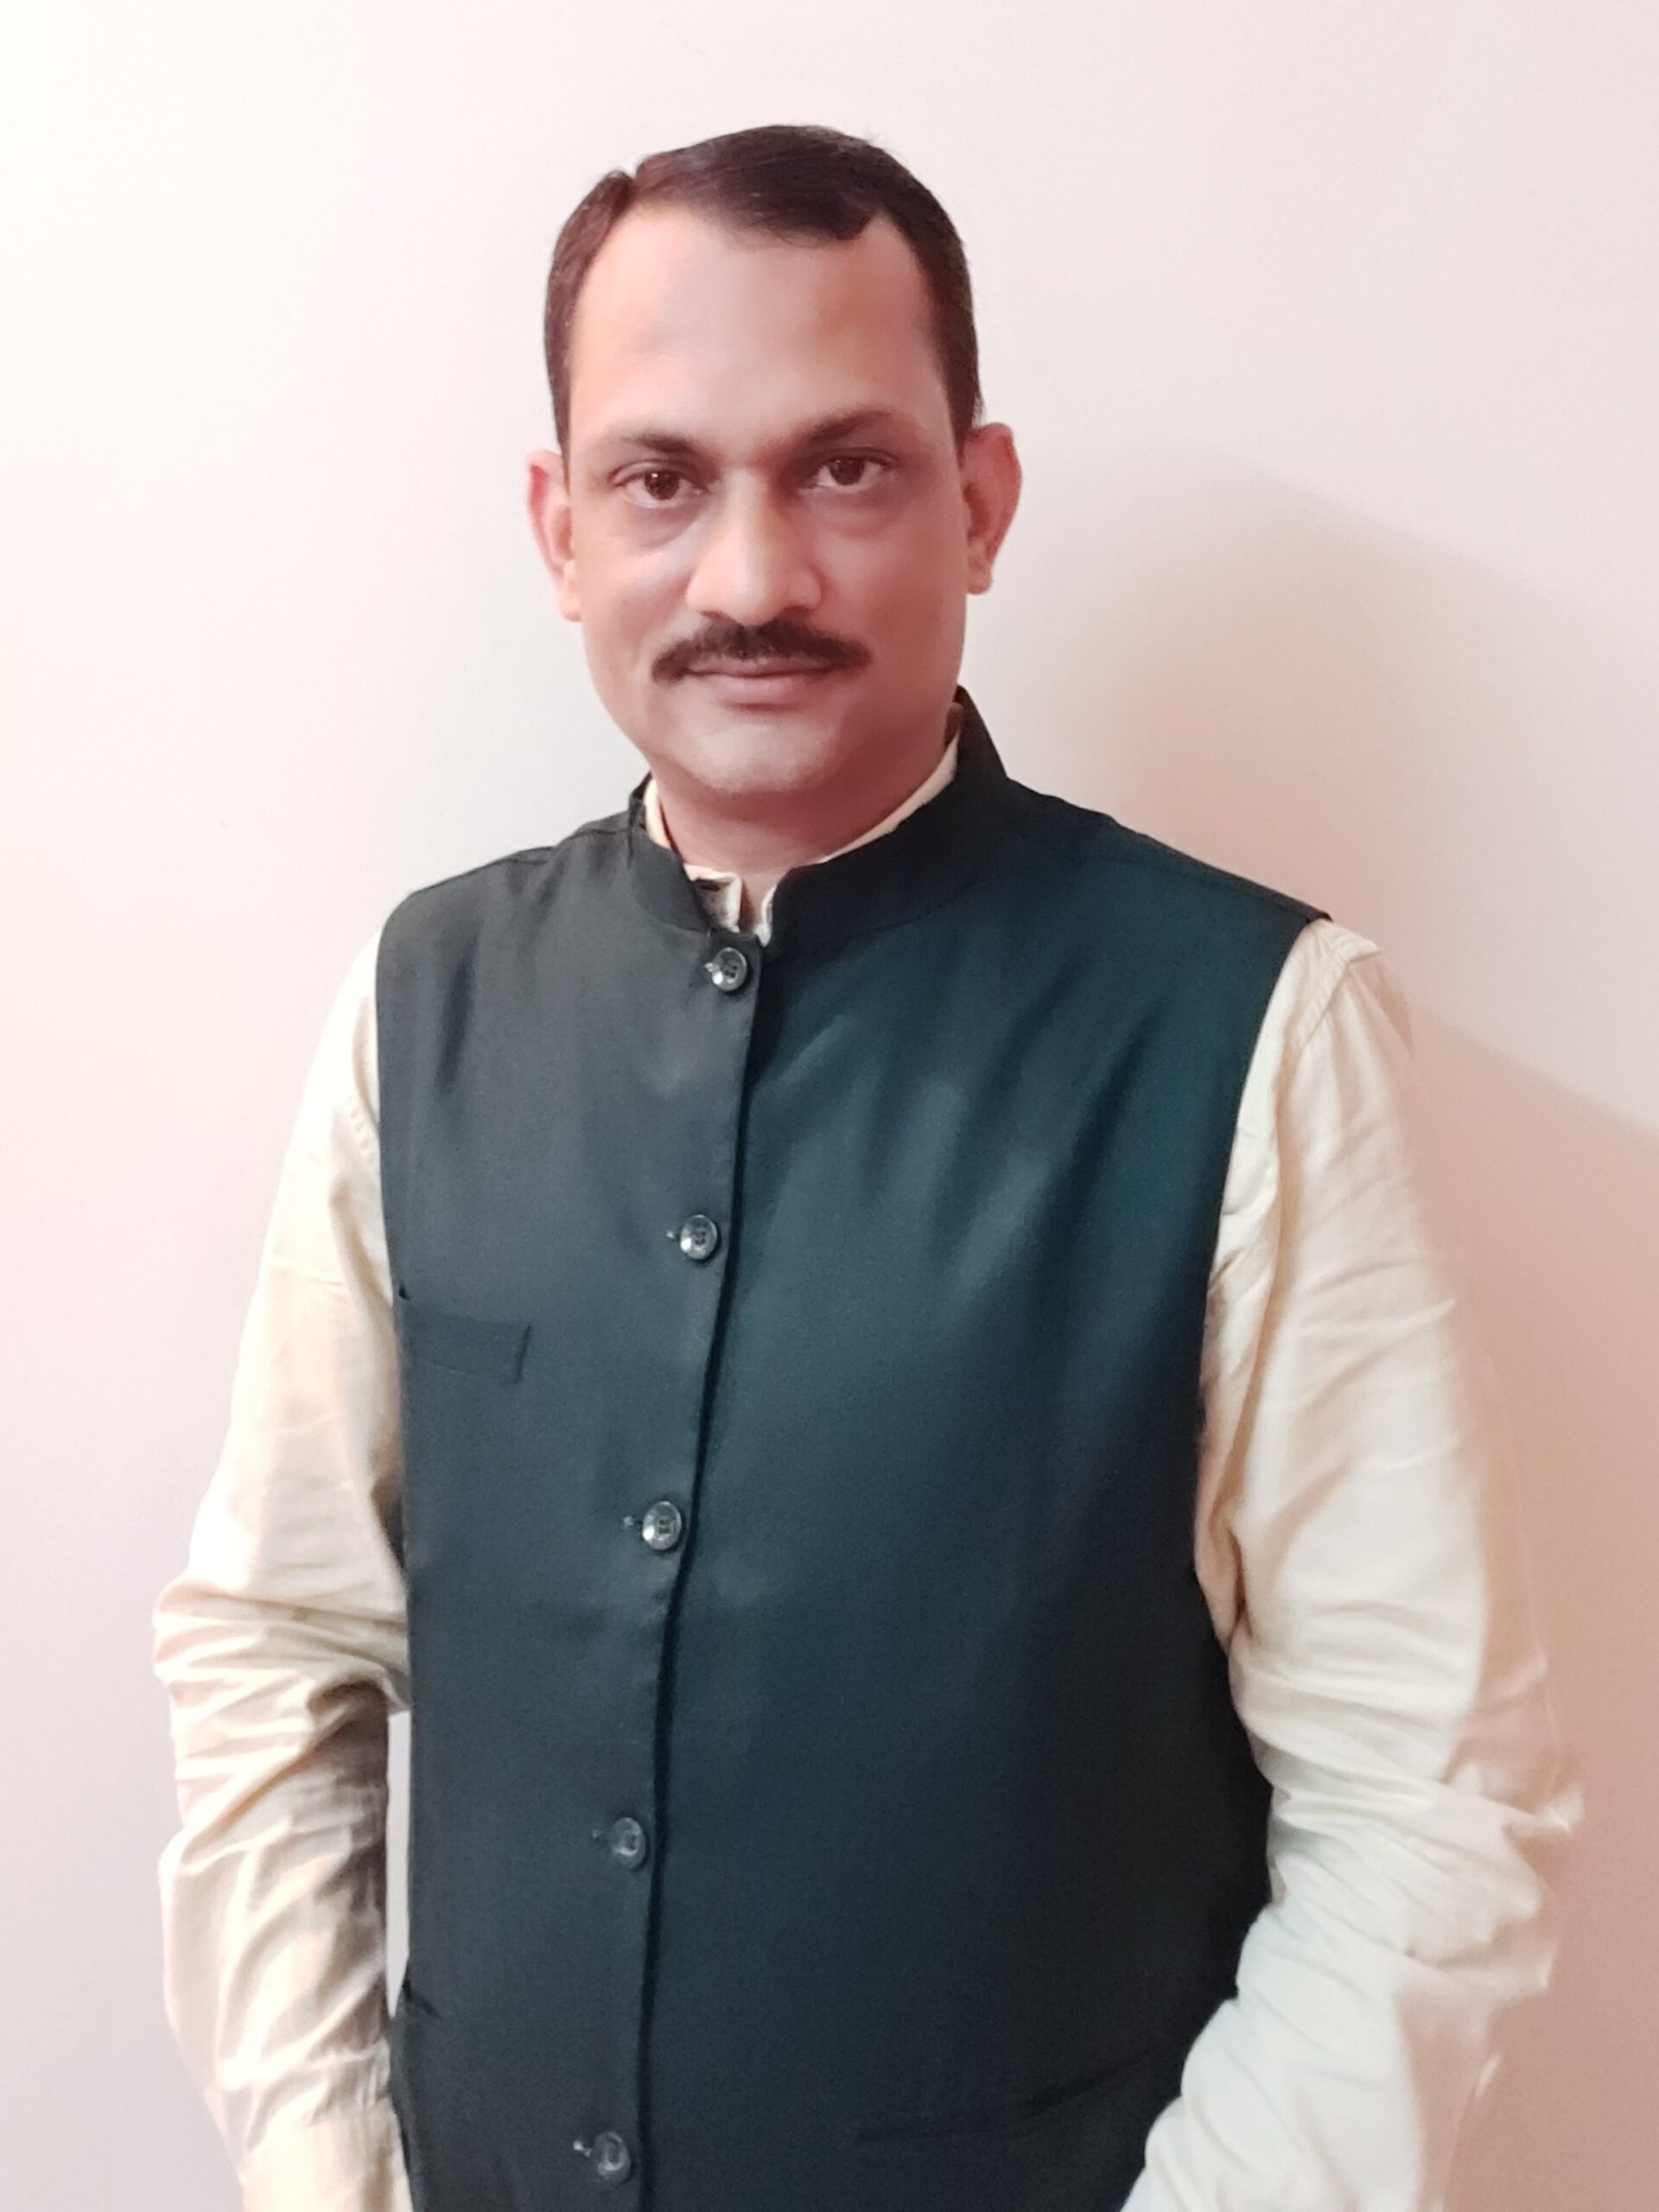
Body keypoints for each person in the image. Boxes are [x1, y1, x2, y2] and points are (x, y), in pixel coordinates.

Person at [153, 122, 1580, 2212]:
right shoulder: (419, 1000)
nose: (750, 578)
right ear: (560, 530)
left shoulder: (1255, 1026)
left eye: (844, 468)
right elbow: (277, 1650)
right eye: (660, 480)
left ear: (977, 502)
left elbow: (1430, 1796)